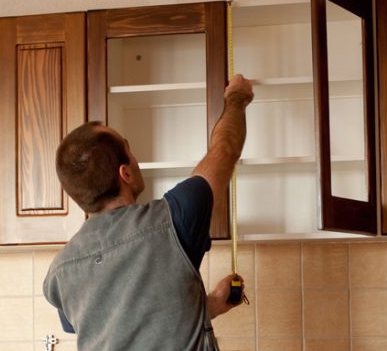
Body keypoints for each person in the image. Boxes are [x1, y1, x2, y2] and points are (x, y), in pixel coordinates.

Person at [43, 74, 255, 350]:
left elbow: (127, 321)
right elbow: (224, 150)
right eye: (128, 149)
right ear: (125, 173)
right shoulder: (172, 221)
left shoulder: (60, 273)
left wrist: (211, 304)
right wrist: (237, 99)